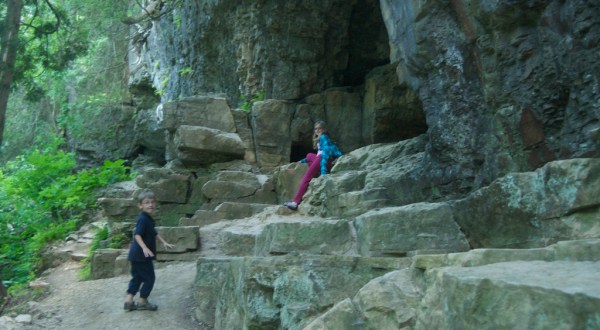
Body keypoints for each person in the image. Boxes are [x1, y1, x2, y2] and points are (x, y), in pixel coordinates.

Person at [124, 190, 174, 311]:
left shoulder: (147, 219)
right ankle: (142, 301)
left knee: (137, 277)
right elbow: (137, 235)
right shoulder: (143, 219)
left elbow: (154, 233)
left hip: (135, 255)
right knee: (149, 278)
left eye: (152, 202)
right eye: (146, 202)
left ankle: (129, 301)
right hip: (142, 255)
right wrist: (145, 247)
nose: (150, 204)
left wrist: (164, 242)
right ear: (140, 205)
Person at [283, 120, 342, 210]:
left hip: (323, 160)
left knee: (306, 178)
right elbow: (316, 156)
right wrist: (301, 162)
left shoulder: (323, 137)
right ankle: (313, 169)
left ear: (324, 129)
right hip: (320, 159)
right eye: (316, 129)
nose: (317, 130)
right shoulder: (320, 139)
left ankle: (295, 202)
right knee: (309, 155)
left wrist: (323, 172)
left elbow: (325, 153)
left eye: (320, 128)